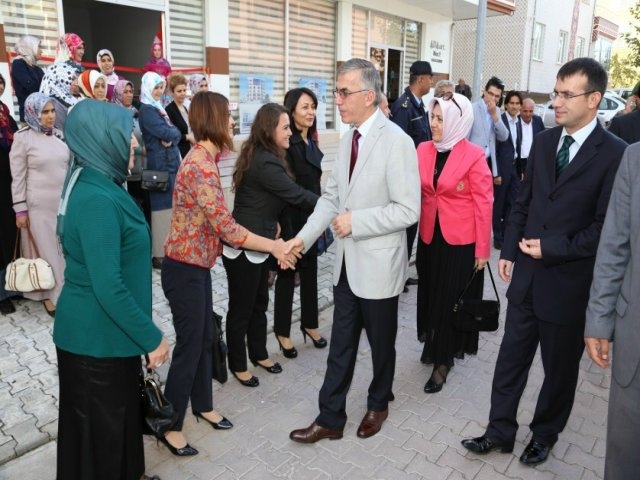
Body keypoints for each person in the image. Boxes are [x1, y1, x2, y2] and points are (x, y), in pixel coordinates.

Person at [461, 57, 628, 466]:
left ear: (594, 99)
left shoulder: (616, 154)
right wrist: (512, 249)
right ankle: (499, 431)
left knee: (559, 373)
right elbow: (525, 199)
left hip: (570, 287)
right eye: (555, 92)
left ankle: (544, 435)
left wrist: (552, 247)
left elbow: (606, 229)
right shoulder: (546, 141)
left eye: (565, 94)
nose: (555, 101)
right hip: (528, 279)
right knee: (510, 360)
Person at [288, 58, 420, 443]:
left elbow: (408, 209)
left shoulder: (398, 141)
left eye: (344, 92)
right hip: (346, 266)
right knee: (340, 347)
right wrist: (302, 239)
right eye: (337, 92)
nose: (338, 101)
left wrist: (357, 222)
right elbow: (331, 199)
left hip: (379, 268)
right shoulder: (348, 140)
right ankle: (330, 417)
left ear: (368, 95)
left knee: (381, 346)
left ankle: (379, 403)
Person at [160, 91, 296, 456]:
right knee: (190, 347)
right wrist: (274, 246)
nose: (233, 122)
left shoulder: (207, 159)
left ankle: (203, 405)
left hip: (197, 267)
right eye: (228, 116)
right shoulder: (200, 167)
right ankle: (169, 424)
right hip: (184, 270)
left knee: (205, 338)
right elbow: (228, 228)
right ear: (213, 120)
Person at [53, 99, 169, 480]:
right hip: (94, 341)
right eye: (126, 135)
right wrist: (151, 338)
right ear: (101, 139)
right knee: (100, 435)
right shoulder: (96, 198)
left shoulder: (101, 182)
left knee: (116, 424)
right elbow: (108, 286)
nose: (135, 143)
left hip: (107, 336)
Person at [222, 103, 318, 387]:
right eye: (285, 127)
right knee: (242, 309)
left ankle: (259, 353)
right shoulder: (265, 161)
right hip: (244, 247)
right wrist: (330, 206)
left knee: (259, 303)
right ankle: (238, 365)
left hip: (260, 242)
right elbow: (296, 195)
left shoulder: (266, 155)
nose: (290, 132)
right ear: (269, 130)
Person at [416, 92, 493, 393]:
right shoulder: (423, 149)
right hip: (429, 237)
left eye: (440, 118)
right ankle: (433, 343)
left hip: (459, 242)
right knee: (431, 293)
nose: (433, 124)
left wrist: (483, 250)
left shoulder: (473, 154)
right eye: (432, 117)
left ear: (456, 120)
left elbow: (484, 203)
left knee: (450, 300)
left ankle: (443, 362)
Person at [584, 142, 640, 480]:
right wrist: (599, 320)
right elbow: (615, 246)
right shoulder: (634, 158)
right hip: (635, 344)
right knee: (626, 458)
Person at [273, 88, 326, 358]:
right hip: (292, 219)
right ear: (291, 110)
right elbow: (283, 190)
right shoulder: (287, 145)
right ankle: (282, 331)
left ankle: (310, 324)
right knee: (286, 274)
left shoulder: (311, 141)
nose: (310, 112)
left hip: (313, 218)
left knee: (311, 273)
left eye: (313, 107)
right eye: (305, 107)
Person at [10, 92, 69, 317]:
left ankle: (65, 290)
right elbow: (18, 177)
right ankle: (50, 296)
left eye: (52, 111)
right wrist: (20, 209)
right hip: (38, 207)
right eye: (44, 112)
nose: (50, 116)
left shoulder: (58, 137)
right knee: (45, 252)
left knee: (61, 250)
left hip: (62, 205)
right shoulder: (22, 138)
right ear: (33, 113)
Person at [390, 60, 433, 292]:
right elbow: (397, 148)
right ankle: (396, 277)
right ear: (421, 79)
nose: (432, 82)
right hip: (406, 181)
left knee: (410, 232)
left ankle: (403, 273)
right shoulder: (403, 107)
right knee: (404, 233)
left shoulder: (419, 105)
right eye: (430, 78)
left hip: (417, 179)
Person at [138, 71, 182, 269]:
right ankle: (158, 255)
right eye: (155, 87)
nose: (158, 91)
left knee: (168, 208)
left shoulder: (158, 108)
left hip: (168, 164)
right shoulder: (148, 110)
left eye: (160, 87)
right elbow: (168, 132)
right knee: (160, 210)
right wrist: (173, 134)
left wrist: (173, 135)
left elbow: (175, 134)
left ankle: (166, 251)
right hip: (160, 166)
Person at [112, 80, 150, 224]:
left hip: (142, 168)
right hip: (127, 171)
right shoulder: (115, 114)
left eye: (130, 92)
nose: (128, 95)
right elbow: (121, 139)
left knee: (144, 207)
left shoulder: (137, 113)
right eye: (125, 92)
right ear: (118, 93)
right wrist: (141, 150)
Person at [492, 90, 522, 249]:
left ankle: (505, 232)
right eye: (512, 103)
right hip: (501, 170)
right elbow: (495, 148)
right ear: (506, 104)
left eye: (517, 103)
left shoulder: (518, 122)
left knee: (514, 201)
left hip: (513, 168)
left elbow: (517, 147)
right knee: (499, 203)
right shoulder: (500, 120)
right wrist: (495, 173)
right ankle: (497, 237)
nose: (514, 106)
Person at [0, 74, 19, 315]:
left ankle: (12, 286)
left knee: (8, 233)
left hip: (8, 185)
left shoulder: (6, 112)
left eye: (1, 82)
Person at [468, 76, 509, 180]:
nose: (493, 98)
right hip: (472, 162)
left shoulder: (497, 111)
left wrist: (494, 116)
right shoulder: (472, 108)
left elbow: (504, 136)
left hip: (489, 162)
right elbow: (465, 138)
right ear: (485, 92)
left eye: (497, 96)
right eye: (490, 94)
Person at [10, 35, 45, 123]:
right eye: (39, 47)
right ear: (30, 46)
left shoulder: (37, 68)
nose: (42, 51)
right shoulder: (18, 63)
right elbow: (31, 86)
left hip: (42, 114)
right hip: (29, 117)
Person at [39, 62, 80, 131]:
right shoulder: (53, 103)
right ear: (59, 79)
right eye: (71, 78)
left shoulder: (66, 98)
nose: (75, 83)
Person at [165, 73, 194, 158]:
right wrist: (187, 137)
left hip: (189, 151)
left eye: (184, 90)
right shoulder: (169, 110)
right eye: (179, 91)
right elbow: (169, 136)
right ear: (172, 92)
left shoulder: (185, 108)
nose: (183, 93)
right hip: (178, 154)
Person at [517, 98, 545, 178]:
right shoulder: (515, 122)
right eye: (525, 111)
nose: (528, 114)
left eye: (531, 111)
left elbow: (543, 140)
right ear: (520, 110)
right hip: (520, 161)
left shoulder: (538, 120)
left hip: (533, 160)